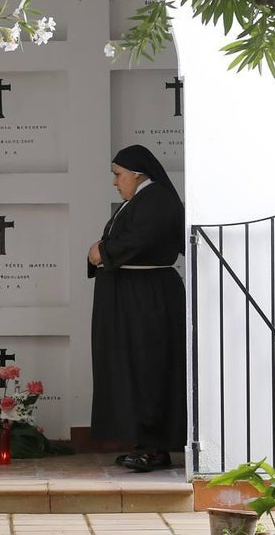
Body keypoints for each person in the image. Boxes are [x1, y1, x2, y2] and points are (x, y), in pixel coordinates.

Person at [86, 144, 186, 472]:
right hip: (133, 296)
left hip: (148, 298)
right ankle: (143, 442)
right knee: (133, 366)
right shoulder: (141, 200)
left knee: (149, 366)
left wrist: (103, 251)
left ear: (138, 174)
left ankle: (156, 447)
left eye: (118, 175)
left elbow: (139, 240)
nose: (115, 182)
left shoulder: (156, 199)